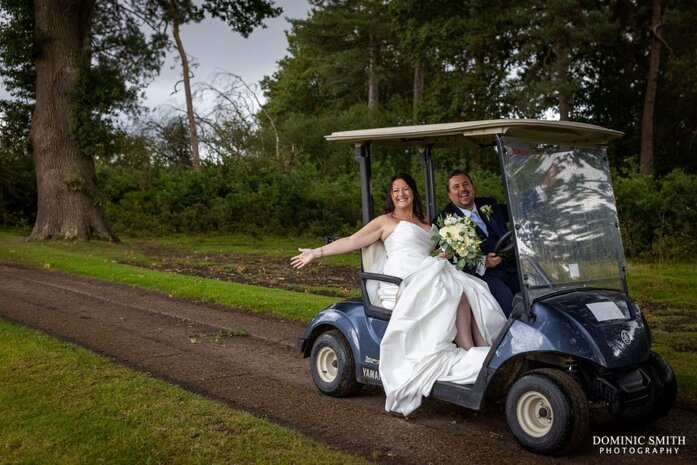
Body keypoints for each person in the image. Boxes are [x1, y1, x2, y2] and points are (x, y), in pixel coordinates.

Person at [291, 173, 506, 416]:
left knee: (470, 287)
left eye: (405, 189)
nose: (401, 194)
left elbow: (436, 252)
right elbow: (352, 241)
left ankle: (481, 349)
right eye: (396, 191)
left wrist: (445, 254)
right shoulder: (385, 222)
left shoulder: (426, 221)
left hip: (428, 271)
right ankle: (470, 351)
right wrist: (316, 253)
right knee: (454, 290)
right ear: (391, 196)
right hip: (402, 281)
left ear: (413, 192)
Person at [437, 170, 521, 317]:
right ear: (449, 194)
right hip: (480, 275)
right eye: (456, 187)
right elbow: (451, 258)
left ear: (472, 187)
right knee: (504, 295)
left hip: (510, 266)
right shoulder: (445, 219)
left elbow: (515, 208)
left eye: (465, 184)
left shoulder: (488, 204)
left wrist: (543, 188)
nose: (462, 189)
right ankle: (511, 336)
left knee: (533, 286)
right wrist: (483, 262)